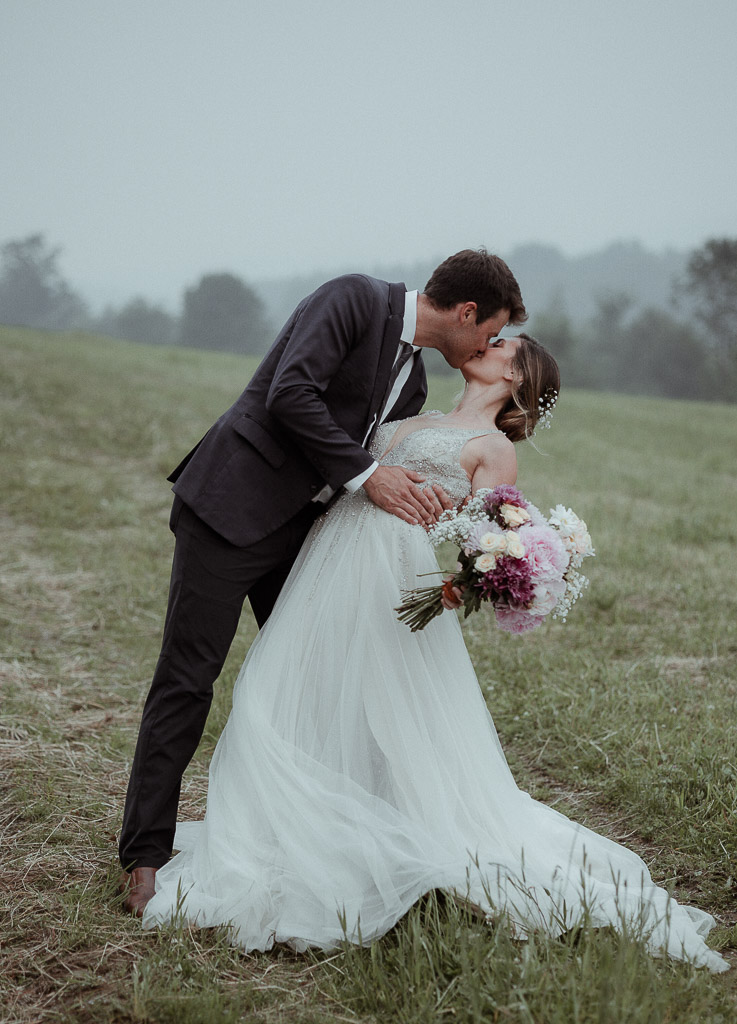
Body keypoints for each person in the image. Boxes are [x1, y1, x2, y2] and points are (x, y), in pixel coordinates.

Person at [141, 334, 729, 973]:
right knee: (288, 691)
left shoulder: (493, 449)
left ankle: (369, 843)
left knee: (376, 706)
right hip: (328, 559)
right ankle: (294, 831)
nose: (490, 341)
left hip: (390, 572)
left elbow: (486, 536)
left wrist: (483, 574)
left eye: (505, 343)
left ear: (516, 375)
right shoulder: (413, 415)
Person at [119, 249, 527, 915]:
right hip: (230, 512)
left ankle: (342, 845)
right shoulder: (352, 299)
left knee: (331, 683)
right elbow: (290, 395)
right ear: (466, 311)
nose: (488, 344)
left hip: (306, 539)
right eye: (490, 331)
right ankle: (143, 855)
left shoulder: (417, 385)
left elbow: (394, 459)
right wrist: (370, 479)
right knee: (189, 676)